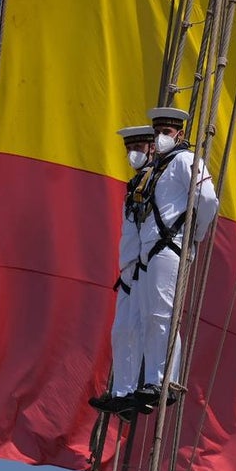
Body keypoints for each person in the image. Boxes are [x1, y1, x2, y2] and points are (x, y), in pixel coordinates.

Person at [131, 106, 219, 409]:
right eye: (157, 132)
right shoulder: (159, 167)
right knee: (148, 317)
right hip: (150, 249)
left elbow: (207, 199)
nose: (160, 137)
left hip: (170, 246)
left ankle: (162, 380)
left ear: (179, 135)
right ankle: (150, 380)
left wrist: (197, 234)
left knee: (161, 316)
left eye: (166, 132)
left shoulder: (184, 160)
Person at [89, 125, 155, 417]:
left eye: (138, 149)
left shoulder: (159, 180)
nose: (132, 155)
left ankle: (158, 381)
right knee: (122, 331)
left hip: (150, 261)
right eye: (130, 150)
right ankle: (123, 393)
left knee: (158, 322)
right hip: (129, 268)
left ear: (151, 149)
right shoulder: (135, 184)